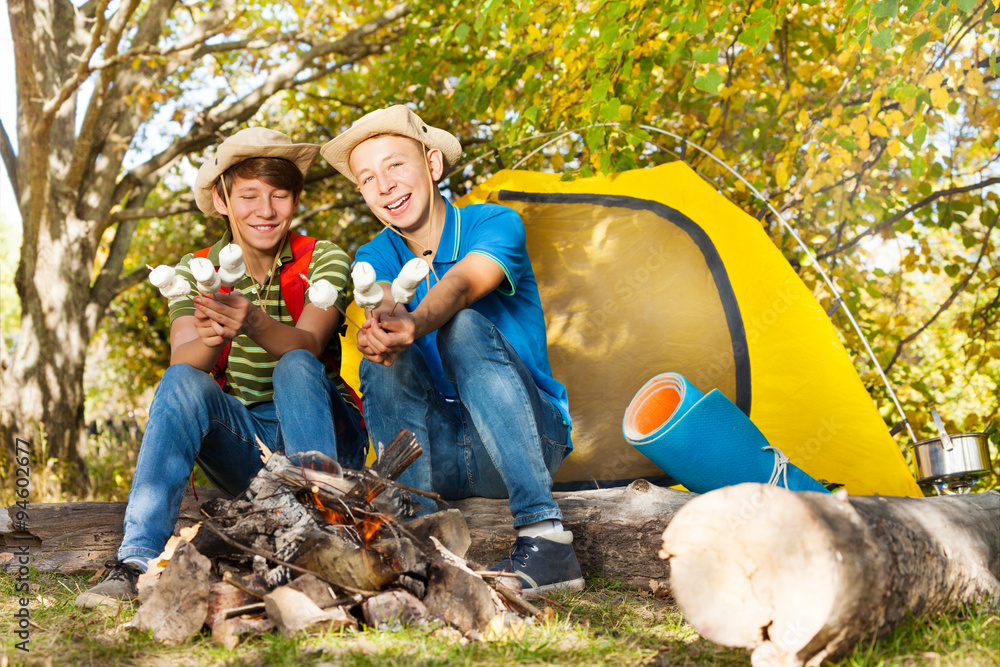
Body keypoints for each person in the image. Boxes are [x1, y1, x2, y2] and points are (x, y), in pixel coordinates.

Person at [75, 128, 366, 608]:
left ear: (295, 201)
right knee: (181, 381)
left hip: (326, 439)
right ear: (221, 198)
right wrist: (210, 335)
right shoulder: (195, 270)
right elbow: (183, 365)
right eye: (249, 195)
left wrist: (251, 319)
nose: (266, 211)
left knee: (293, 364)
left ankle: (321, 535)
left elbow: (311, 343)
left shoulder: (323, 257)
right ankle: (135, 561)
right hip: (249, 446)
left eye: (280, 196)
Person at [319, 106, 583, 593]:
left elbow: (461, 285)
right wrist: (382, 325)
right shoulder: (374, 252)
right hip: (436, 455)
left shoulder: (495, 222)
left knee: (459, 326)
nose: (385, 185)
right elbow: (384, 292)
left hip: (522, 440)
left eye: (396, 165)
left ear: (433, 165)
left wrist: (415, 322)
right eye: (368, 178)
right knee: (384, 362)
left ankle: (545, 539)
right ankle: (414, 543)